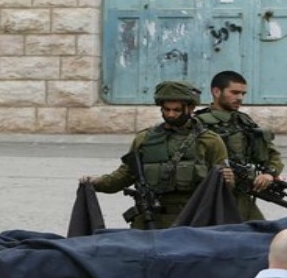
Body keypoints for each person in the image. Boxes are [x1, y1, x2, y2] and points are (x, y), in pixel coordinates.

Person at [80, 80, 230, 229]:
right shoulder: (144, 139)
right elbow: (125, 175)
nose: (171, 114)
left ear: (190, 108)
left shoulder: (210, 141)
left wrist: (229, 179)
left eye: (177, 110)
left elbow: (223, 184)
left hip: (192, 219)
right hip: (150, 219)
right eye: (166, 109)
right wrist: (95, 182)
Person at [194, 70, 284, 220]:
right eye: (234, 93)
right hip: (210, 196)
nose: (240, 98)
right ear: (216, 92)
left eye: (243, 94)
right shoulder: (199, 123)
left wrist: (269, 173)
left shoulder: (244, 121)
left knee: (260, 235)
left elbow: (272, 153)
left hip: (241, 196)